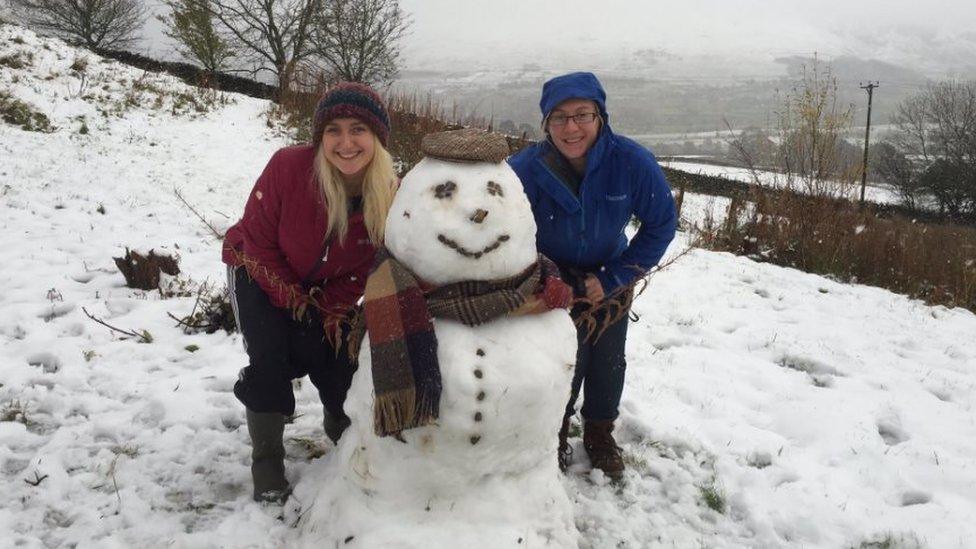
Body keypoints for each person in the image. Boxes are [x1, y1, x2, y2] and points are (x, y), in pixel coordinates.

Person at [221, 82, 397, 503]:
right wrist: (296, 305)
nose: (345, 143)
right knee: (270, 358)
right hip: (256, 270)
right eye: (333, 130)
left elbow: (369, 267)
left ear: (377, 137)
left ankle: (343, 433)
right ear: (320, 137)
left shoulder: (391, 194)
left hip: (325, 287)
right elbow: (258, 243)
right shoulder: (289, 167)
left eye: (358, 129)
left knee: (336, 358)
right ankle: (266, 460)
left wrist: (326, 307)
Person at [508, 72, 677, 479]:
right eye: (559, 117)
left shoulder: (630, 162)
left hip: (611, 276)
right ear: (546, 124)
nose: (571, 127)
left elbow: (661, 224)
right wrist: (543, 277)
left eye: (582, 114)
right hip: (551, 283)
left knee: (608, 361)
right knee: (560, 361)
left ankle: (600, 433)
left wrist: (614, 277)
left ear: (600, 116)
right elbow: (505, 229)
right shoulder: (525, 169)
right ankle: (554, 431)